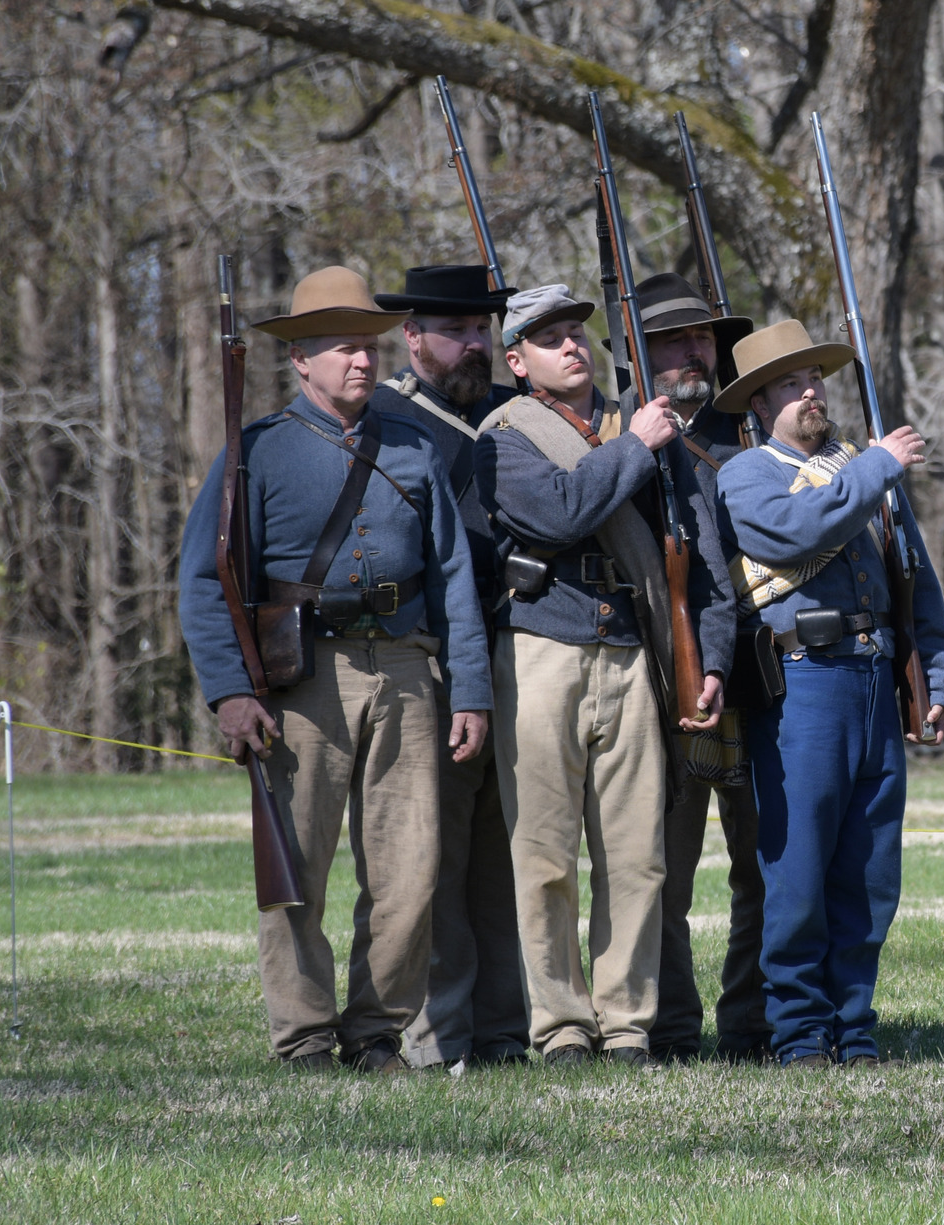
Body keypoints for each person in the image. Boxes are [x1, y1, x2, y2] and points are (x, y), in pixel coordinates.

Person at [177, 265, 492, 1073]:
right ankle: (306, 1035)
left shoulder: (416, 449)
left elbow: (454, 574)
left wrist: (471, 690)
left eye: (369, 347)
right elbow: (206, 579)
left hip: (406, 670)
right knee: (297, 868)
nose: (362, 362)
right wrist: (230, 692)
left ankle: (376, 1031)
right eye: (344, 349)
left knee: (411, 868)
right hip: (302, 677)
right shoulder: (256, 455)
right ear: (301, 361)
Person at [474, 284, 734, 1067]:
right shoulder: (505, 436)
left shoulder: (644, 426)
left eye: (578, 333)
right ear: (517, 362)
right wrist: (637, 448)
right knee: (545, 855)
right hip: (542, 651)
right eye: (549, 338)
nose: (572, 346)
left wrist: (712, 659)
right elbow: (556, 513)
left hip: (631, 647)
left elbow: (704, 561)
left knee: (636, 857)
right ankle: (559, 1025)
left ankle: (627, 1022)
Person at [714, 320, 944, 1070]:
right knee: (798, 871)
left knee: (868, 872)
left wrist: (937, 677)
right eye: (789, 383)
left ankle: (854, 1028)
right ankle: (797, 1033)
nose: (810, 390)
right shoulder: (749, 473)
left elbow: (913, 581)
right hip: (802, 687)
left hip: (874, 681)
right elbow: (788, 533)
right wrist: (877, 468)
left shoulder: (861, 468)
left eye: (815, 377)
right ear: (758, 405)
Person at [366, 265, 530, 1070]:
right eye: (457, 330)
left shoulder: (511, 413)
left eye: (482, 330)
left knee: (506, 858)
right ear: (413, 335)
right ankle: (441, 1036)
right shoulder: (386, 419)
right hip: (436, 663)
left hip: (523, 653)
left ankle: (505, 1030)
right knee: (438, 859)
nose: (475, 345)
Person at [614, 274, 770, 1064]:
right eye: (671, 339)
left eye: (701, 337)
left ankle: (753, 1024)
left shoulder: (754, 430)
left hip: (763, 680)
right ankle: (670, 1027)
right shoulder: (624, 434)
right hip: (665, 680)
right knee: (662, 873)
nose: (690, 351)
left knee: (764, 870)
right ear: (638, 351)